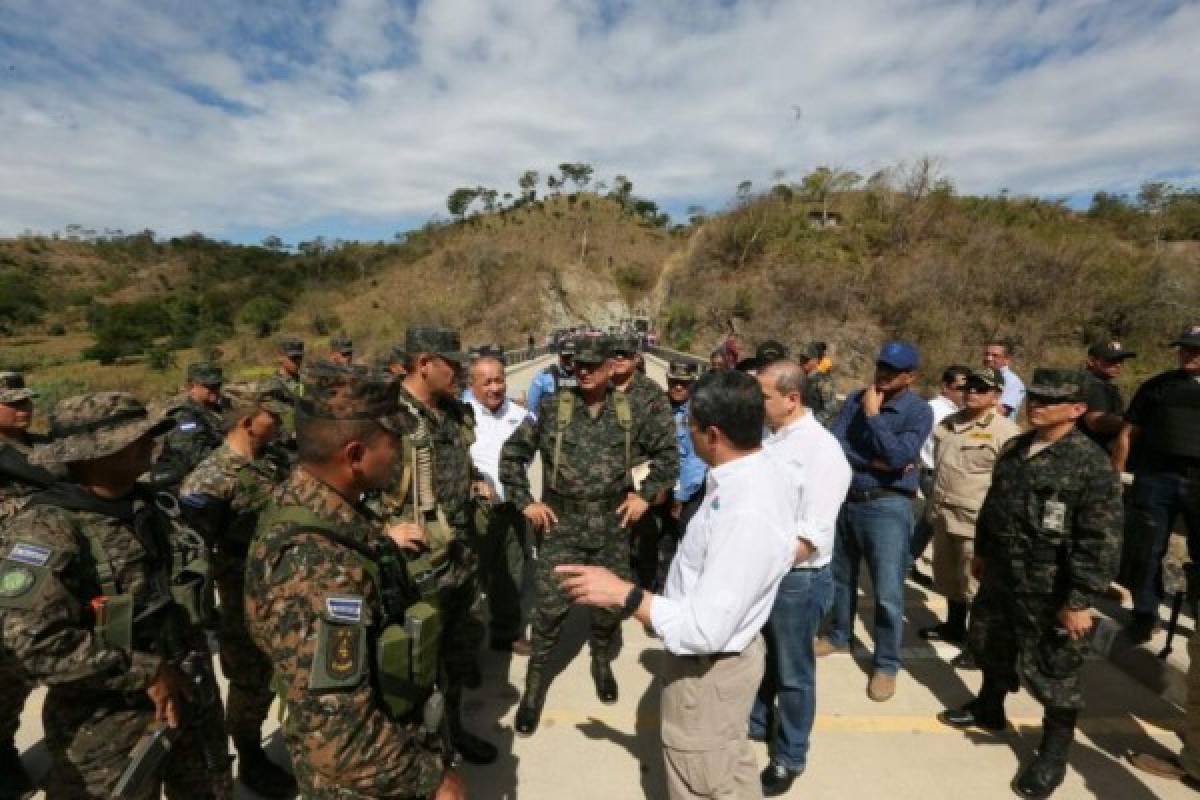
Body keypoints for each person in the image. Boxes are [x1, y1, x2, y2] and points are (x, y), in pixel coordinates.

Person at [555, 369, 797, 800]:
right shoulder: (753, 475)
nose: (689, 435)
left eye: (692, 428)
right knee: (726, 763)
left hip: (709, 670)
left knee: (700, 778)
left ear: (715, 435)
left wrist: (625, 595)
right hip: (721, 666)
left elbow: (705, 629)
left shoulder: (746, 510)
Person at [243, 365, 463, 799]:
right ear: (355, 454)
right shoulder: (317, 569)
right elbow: (338, 733)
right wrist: (433, 782)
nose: (398, 453)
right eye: (392, 442)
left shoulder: (316, 505)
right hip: (371, 779)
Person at [0, 392, 233, 798]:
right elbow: (33, 642)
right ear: (93, 453)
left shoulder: (152, 507)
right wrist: (146, 671)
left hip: (190, 697)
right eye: (134, 437)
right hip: (107, 726)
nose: (150, 443)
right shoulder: (44, 531)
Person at [939, 368, 1122, 800]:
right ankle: (989, 706)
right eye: (1034, 397)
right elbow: (994, 505)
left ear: (1077, 410)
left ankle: (1053, 753)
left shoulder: (1090, 466)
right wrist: (982, 551)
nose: (1036, 405)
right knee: (990, 643)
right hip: (1003, 574)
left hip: (1052, 588)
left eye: (1049, 400)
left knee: (1057, 671)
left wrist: (1079, 600)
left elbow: (1101, 540)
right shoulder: (1017, 448)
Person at [499, 335, 678, 736]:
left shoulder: (630, 411)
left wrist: (645, 497)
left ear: (610, 368)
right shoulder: (551, 407)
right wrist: (524, 501)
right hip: (561, 527)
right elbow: (512, 456)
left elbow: (668, 456)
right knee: (548, 611)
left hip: (612, 528)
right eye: (576, 365)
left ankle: (601, 661)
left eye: (591, 366)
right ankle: (533, 689)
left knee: (609, 608)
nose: (582, 372)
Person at [379, 326, 498, 765]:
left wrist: (475, 482)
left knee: (455, 654)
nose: (461, 372)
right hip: (414, 568)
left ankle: (451, 733)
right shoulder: (388, 418)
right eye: (453, 364)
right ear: (424, 363)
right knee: (414, 664)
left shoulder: (451, 413)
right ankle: (418, 753)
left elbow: (456, 465)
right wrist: (383, 531)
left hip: (459, 557)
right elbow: (351, 486)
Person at [179, 383, 294, 797]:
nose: (280, 426)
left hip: (284, 593)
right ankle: (249, 754)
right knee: (250, 684)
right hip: (241, 604)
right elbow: (190, 555)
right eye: (273, 418)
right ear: (249, 421)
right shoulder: (209, 481)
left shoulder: (269, 462)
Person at [749, 360, 852, 796]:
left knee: (794, 672)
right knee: (760, 657)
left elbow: (813, 534)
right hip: (762, 572)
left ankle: (790, 754)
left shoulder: (822, 452)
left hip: (797, 580)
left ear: (792, 400)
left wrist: (764, 563)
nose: (756, 403)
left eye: (764, 396)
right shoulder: (765, 437)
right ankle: (757, 721)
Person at [819, 341, 933, 702]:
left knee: (886, 591)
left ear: (910, 376)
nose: (882, 374)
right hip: (847, 499)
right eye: (880, 366)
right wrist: (873, 462)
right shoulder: (855, 397)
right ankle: (839, 635)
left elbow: (900, 455)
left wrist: (873, 416)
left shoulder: (917, 411)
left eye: (892, 370)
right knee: (840, 577)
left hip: (887, 506)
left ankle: (885, 663)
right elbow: (834, 445)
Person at [918, 368, 1018, 669]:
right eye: (969, 387)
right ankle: (953, 626)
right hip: (944, 513)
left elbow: (1008, 483)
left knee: (975, 588)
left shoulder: (1006, 433)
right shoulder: (949, 423)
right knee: (948, 577)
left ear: (996, 396)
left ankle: (978, 646)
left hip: (975, 521)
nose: (972, 392)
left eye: (981, 389)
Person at [1114, 323, 1200, 643]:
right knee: (1146, 549)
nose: (1188, 354)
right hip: (1157, 477)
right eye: (1185, 348)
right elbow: (1127, 433)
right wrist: (1116, 473)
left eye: (1196, 350)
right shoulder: (1157, 387)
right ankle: (1145, 614)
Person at [0, 371, 62, 795]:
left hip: (50, 572)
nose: (24, 409)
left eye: (27, 401)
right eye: (13, 402)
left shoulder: (43, 448)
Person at [464, 355, 533, 655]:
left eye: (499, 380)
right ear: (472, 385)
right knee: (473, 576)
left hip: (513, 509)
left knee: (513, 574)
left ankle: (506, 633)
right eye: (486, 382)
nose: (494, 388)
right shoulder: (461, 418)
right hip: (476, 512)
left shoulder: (521, 416)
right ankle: (468, 641)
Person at [610, 335, 675, 590]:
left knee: (645, 545)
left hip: (640, 485)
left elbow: (667, 451)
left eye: (623, 354)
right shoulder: (597, 391)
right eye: (613, 353)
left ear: (636, 358)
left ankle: (643, 596)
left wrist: (650, 491)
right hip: (605, 485)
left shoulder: (652, 395)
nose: (617, 359)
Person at [910, 365, 970, 574]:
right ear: (946, 386)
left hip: (940, 474)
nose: (965, 393)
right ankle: (911, 561)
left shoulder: (956, 412)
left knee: (929, 523)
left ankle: (911, 560)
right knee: (935, 523)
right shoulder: (937, 411)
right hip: (933, 473)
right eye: (960, 388)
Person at [662, 360, 707, 591]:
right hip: (658, 489)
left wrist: (680, 497)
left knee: (689, 551)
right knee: (661, 549)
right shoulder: (658, 405)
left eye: (684, 383)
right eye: (674, 382)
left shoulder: (697, 413)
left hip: (687, 495)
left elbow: (696, 460)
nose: (678, 387)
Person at [152, 361, 226, 489]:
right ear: (191, 387)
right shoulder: (184, 416)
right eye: (209, 386)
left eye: (218, 385)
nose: (215, 390)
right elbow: (195, 456)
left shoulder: (218, 410)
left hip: (214, 473)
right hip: (188, 483)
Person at [1078, 340, 1137, 452]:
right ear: (1091, 361)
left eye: (1120, 360)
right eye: (1111, 360)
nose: (1118, 364)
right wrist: (1133, 425)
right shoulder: (1094, 385)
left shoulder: (1094, 382)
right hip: (1091, 452)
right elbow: (1096, 421)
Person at [525, 339, 577, 417]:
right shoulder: (543, 377)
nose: (570, 361)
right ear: (559, 356)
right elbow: (532, 408)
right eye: (566, 357)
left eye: (573, 357)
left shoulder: (585, 377)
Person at [983, 338, 1025, 419]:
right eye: (987, 354)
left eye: (995, 355)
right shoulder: (980, 376)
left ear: (1007, 360)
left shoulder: (1013, 382)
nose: (989, 358)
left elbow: (1003, 411)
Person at [799, 343, 838, 427]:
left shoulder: (824, 382)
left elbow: (830, 410)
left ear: (816, 361)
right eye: (801, 358)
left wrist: (811, 423)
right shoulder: (799, 378)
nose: (802, 361)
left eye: (806, 359)